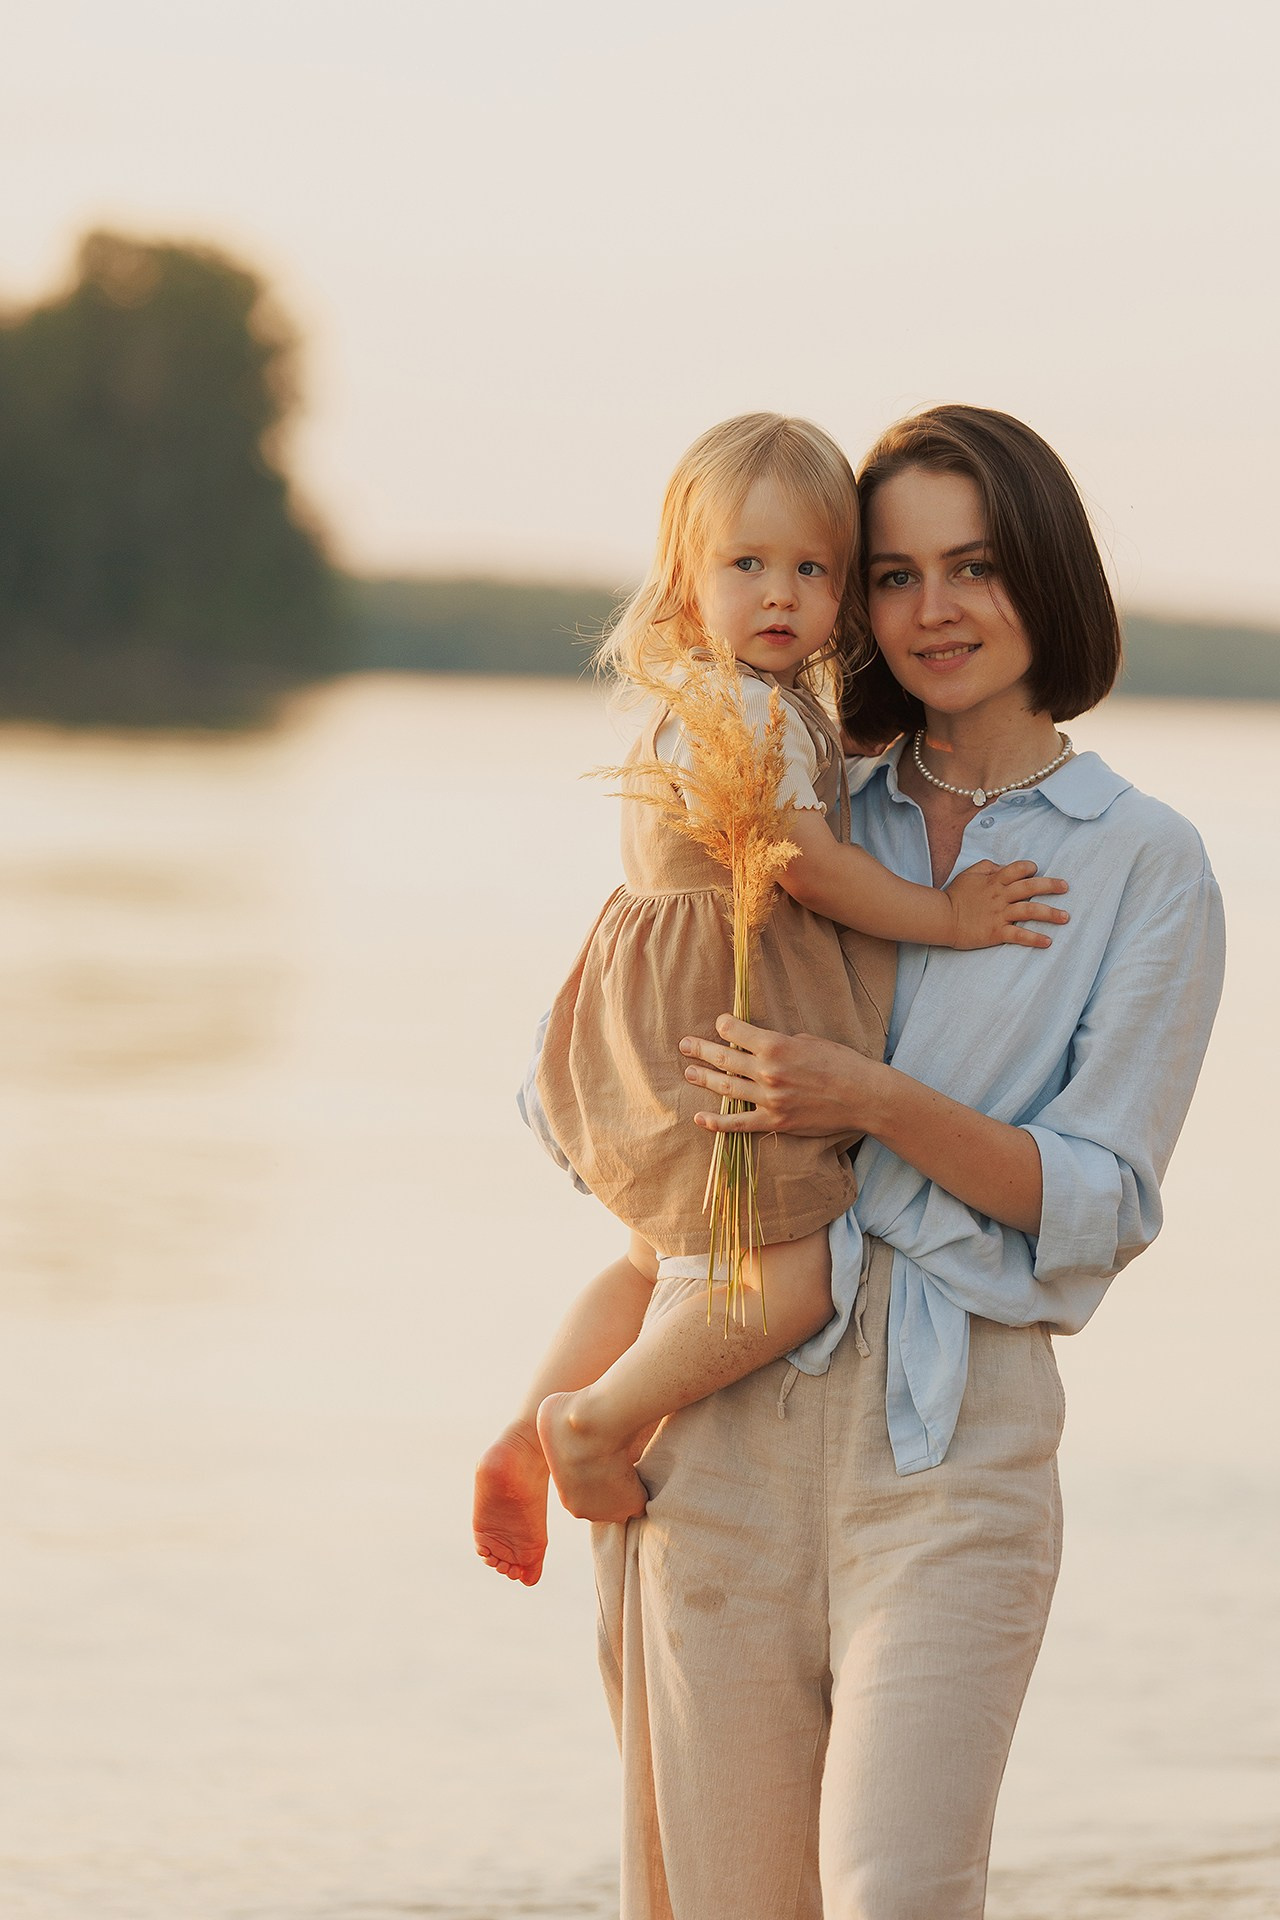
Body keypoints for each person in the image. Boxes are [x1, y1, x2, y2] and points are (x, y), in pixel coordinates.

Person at [598, 405, 1225, 1919]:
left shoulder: (1143, 860)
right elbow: (667, 1114)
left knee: (897, 1892)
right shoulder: (787, 798)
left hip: (954, 1448)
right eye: (893, 574)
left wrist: (873, 1099)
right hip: (722, 1424)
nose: (932, 610)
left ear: (1048, 577)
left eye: (976, 567)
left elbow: (1099, 1203)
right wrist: (566, 1401)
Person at [472, 413, 1069, 1584]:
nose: (781, 594)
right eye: (745, 564)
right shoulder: (746, 715)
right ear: (684, 583)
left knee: (652, 1259)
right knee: (789, 1279)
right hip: (717, 1025)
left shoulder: (719, 701)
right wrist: (947, 915)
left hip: (652, 1016)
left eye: (813, 569)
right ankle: (591, 1422)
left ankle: (524, 1430)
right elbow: (809, 869)